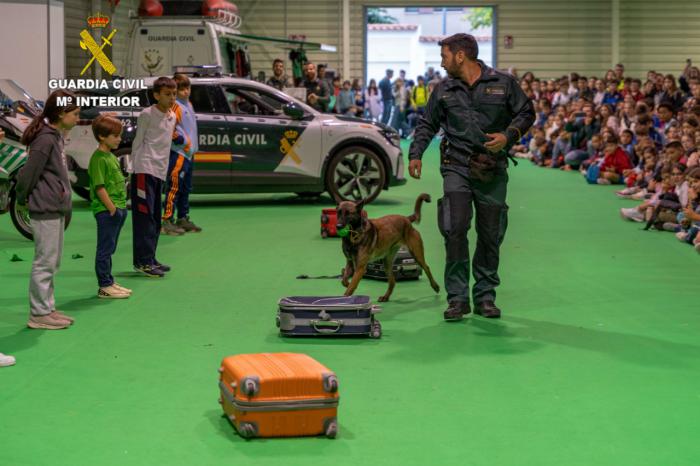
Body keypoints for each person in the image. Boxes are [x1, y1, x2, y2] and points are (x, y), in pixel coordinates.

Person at [407, 33, 535, 321]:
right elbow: (428, 123)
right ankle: (457, 298)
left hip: (492, 168)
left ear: (460, 56)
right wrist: (415, 153)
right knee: (454, 229)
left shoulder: (503, 84)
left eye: (444, 56)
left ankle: (485, 296)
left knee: (490, 234)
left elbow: (526, 112)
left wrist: (508, 135)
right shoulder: (443, 89)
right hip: (456, 166)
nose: (442, 63)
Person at [15, 90, 80, 329]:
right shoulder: (45, 139)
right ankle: (38, 314)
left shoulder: (55, 136)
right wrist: (22, 198)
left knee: (52, 261)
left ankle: (47, 308)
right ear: (61, 113)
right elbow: (28, 174)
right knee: (44, 261)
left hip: (54, 206)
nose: (77, 118)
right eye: (74, 113)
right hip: (45, 207)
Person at [131, 76, 180, 278]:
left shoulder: (172, 117)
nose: (171, 98)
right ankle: (142, 262)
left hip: (159, 172)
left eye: (174, 94)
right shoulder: (146, 114)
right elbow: (138, 141)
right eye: (167, 94)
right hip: (144, 170)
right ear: (156, 95)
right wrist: (134, 168)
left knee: (155, 218)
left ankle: (150, 258)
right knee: (144, 218)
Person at [88, 115, 132, 298]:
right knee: (105, 249)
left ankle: (109, 281)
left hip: (119, 209)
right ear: (102, 137)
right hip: (108, 211)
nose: (119, 139)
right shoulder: (98, 159)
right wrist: (111, 208)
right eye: (115, 136)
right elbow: (99, 187)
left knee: (111, 247)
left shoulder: (111, 156)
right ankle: (104, 285)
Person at [162, 73, 202, 235]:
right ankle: (166, 220)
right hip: (179, 154)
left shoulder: (188, 104)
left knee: (186, 188)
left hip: (189, 154)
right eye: (182, 89)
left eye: (188, 88)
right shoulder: (175, 107)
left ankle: (182, 217)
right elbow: (167, 128)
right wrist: (181, 141)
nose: (186, 92)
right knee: (174, 187)